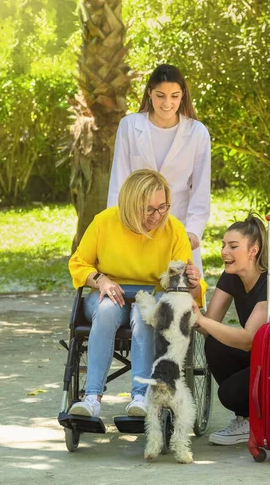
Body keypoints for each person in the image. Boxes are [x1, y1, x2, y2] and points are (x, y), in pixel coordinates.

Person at [69, 169, 207, 419]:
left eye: (163, 207)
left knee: (146, 313)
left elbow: (188, 287)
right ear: (131, 206)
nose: (158, 215)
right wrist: (100, 280)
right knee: (107, 310)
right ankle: (92, 398)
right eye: (149, 209)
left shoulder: (174, 229)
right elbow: (78, 263)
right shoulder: (104, 222)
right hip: (108, 293)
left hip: (152, 296)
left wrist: (193, 282)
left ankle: (141, 397)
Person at [192, 212, 270, 445]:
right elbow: (207, 326)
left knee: (228, 394)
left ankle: (258, 417)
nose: (224, 251)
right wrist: (193, 291)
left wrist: (203, 321)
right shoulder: (231, 277)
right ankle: (247, 420)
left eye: (233, 246)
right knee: (215, 341)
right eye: (223, 245)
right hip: (265, 354)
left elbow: (249, 339)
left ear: (253, 250)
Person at [107, 64, 211, 275]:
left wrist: (193, 232)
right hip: (136, 224)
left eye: (174, 96)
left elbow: (201, 188)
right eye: (160, 95)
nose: (167, 103)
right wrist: (116, 226)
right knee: (136, 294)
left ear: (183, 95)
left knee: (181, 299)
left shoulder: (197, 132)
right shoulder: (129, 126)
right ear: (149, 93)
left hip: (179, 227)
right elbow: (119, 182)